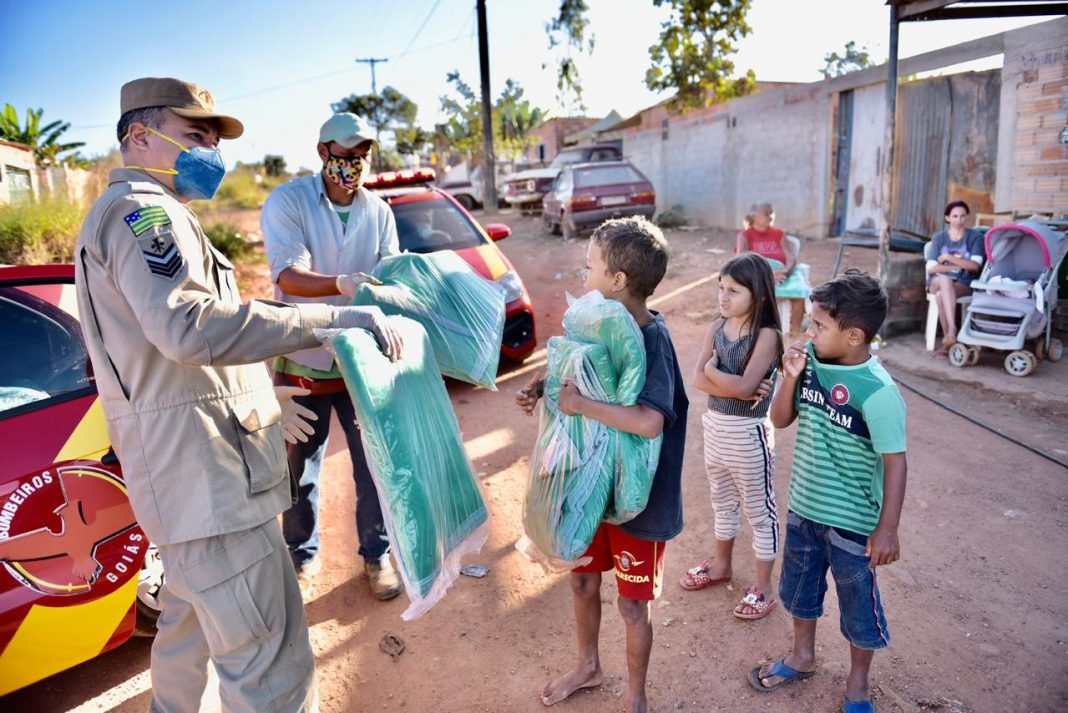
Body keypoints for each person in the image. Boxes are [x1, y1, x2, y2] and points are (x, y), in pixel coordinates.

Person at [75, 77, 401, 712]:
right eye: (196, 134)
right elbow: (189, 327)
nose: (211, 151)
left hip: (192, 481)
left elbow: (174, 356)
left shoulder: (149, 212)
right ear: (140, 136)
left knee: (186, 636)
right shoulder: (145, 214)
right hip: (211, 488)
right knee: (271, 667)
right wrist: (332, 317)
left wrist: (261, 389)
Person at [515, 216, 688, 713]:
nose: (583, 274)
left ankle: (636, 697)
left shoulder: (653, 341)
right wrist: (540, 387)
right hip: (591, 487)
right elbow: (575, 368)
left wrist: (581, 407)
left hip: (639, 499)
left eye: (591, 266)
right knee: (582, 579)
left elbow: (650, 423)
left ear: (618, 281)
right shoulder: (599, 322)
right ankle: (588, 664)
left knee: (633, 604)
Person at [261, 112, 404, 600]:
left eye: (363, 156)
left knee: (373, 462)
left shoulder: (378, 211)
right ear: (323, 153)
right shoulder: (290, 201)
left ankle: (377, 555)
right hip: (305, 354)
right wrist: (341, 284)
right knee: (300, 467)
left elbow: (390, 274)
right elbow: (287, 276)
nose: (355, 165)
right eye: (346, 156)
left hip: (362, 358)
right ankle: (301, 556)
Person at [751, 270, 907, 713]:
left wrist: (887, 529)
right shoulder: (811, 365)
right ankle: (802, 656)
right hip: (804, 507)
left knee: (857, 602)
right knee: (800, 590)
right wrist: (789, 377)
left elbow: (895, 461)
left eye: (818, 326)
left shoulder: (878, 392)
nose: (808, 332)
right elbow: (780, 420)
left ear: (854, 335)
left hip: (853, 523)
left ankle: (858, 683)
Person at [681, 253, 783, 620]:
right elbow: (698, 379)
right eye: (720, 288)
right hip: (716, 429)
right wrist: (732, 385)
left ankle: (764, 587)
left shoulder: (767, 336)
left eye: (734, 291)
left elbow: (745, 388)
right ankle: (721, 566)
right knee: (721, 501)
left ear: (758, 295)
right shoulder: (717, 326)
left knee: (760, 510)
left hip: (748, 434)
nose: (723, 297)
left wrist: (715, 373)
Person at [736, 201, 807, 334]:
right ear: (754, 216)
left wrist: (786, 271)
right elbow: (742, 258)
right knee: (751, 290)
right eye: (766, 213)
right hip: (758, 275)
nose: (770, 216)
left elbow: (790, 256)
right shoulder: (745, 235)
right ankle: (756, 331)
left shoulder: (778, 233)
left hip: (781, 274)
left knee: (799, 292)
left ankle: (794, 333)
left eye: (771, 213)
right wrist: (766, 275)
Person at [927, 200, 985, 358]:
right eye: (955, 216)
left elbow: (974, 266)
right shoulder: (939, 238)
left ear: (967, 217)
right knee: (944, 279)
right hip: (936, 282)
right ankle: (953, 329)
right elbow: (931, 268)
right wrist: (956, 266)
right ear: (947, 218)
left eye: (962, 216)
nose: (959, 220)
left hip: (963, 283)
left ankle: (948, 343)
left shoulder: (975, 237)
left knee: (941, 295)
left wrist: (947, 257)